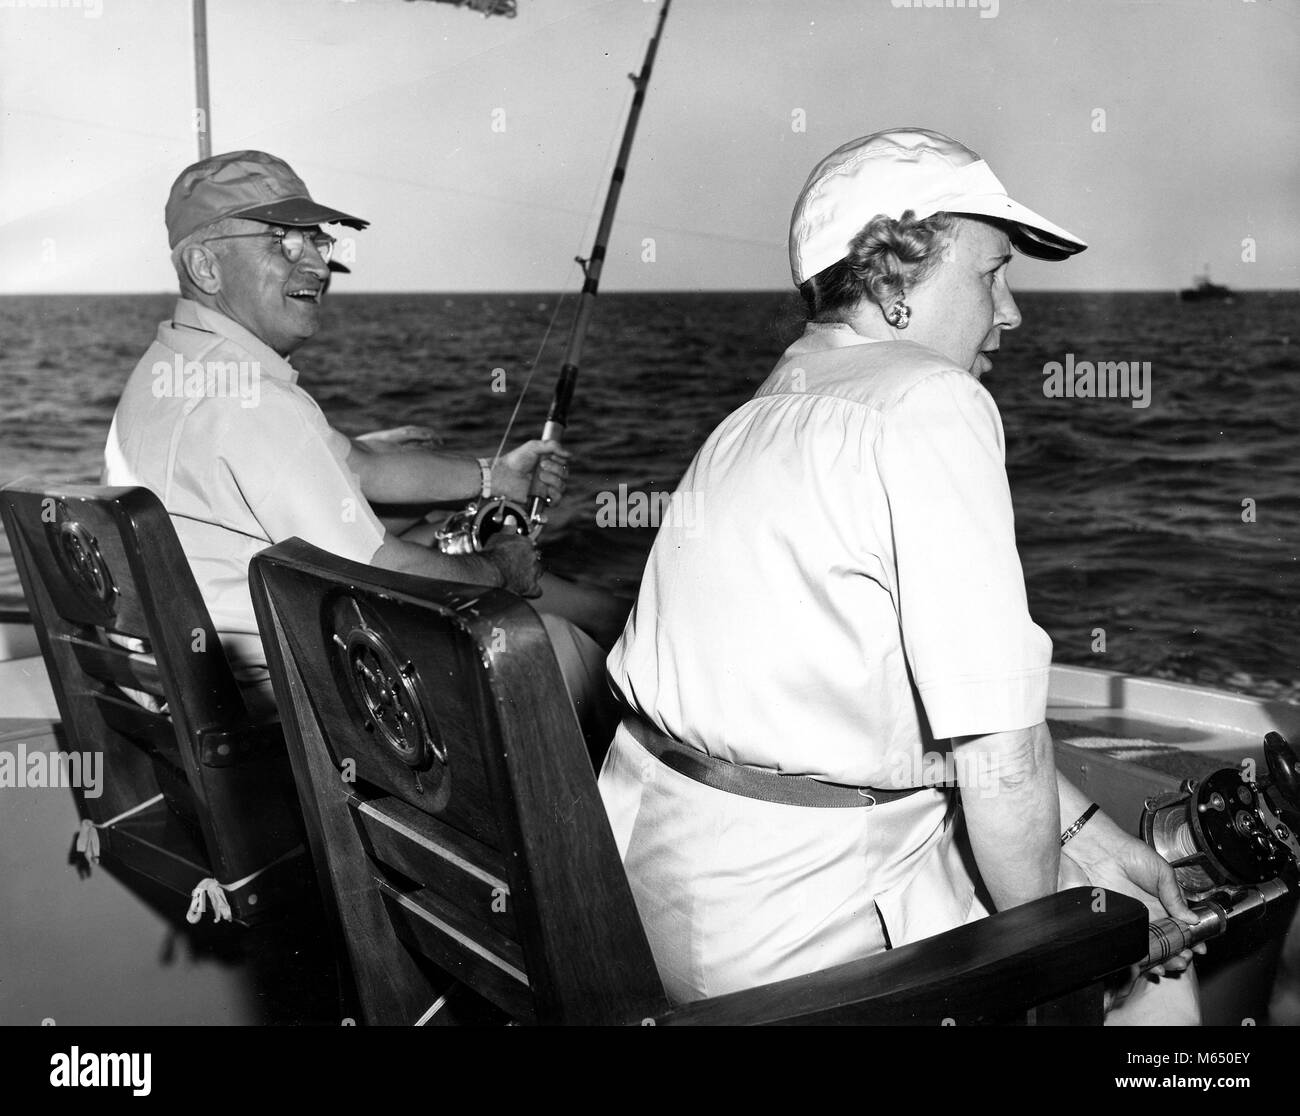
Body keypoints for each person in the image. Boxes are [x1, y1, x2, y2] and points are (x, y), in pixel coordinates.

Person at [598, 128, 1200, 1023]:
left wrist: (1091, 838)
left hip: (648, 900)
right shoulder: (930, 400)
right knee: (1161, 975)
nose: (1011, 312)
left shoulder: (764, 411)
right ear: (891, 280)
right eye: (991, 273)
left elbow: (923, 715)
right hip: (796, 948)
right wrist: (1071, 949)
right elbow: (995, 763)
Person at [104, 150, 619, 729]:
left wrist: (495, 475)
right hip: (282, 712)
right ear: (206, 267)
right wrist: (501, 569)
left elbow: (361, 467)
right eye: (281, 241)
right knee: (556, 650)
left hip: (192, 690)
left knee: (433, 534)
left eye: (317, 243)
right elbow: (378, 566)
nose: (317, 267)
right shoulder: (248, 399)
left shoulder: (171, 365)